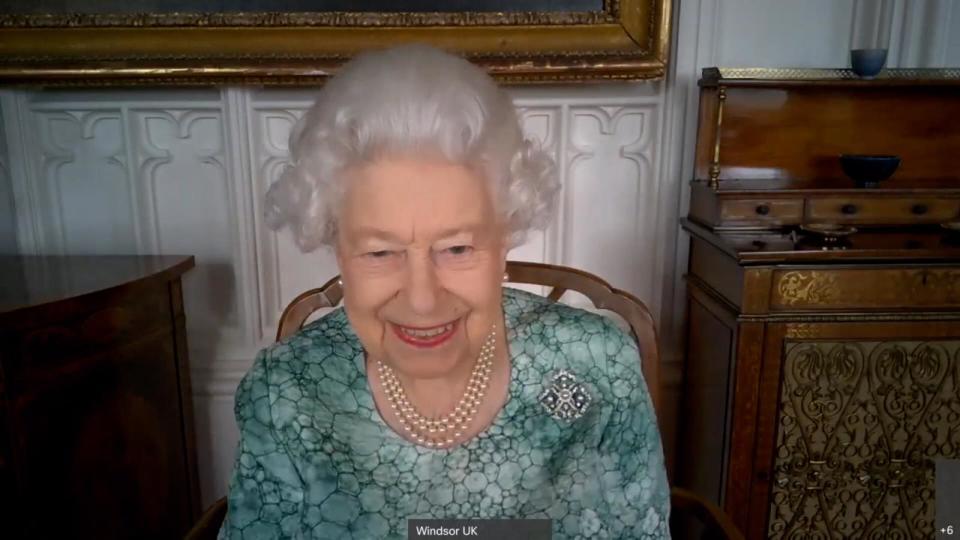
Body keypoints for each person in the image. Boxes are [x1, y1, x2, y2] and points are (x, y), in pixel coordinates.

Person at [219, 44, 670, 539]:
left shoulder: (596, 367)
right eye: (379, 252)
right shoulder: (286, 395)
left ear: (505, 240)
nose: (422, 299)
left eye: (456, 248)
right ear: (337, 250)